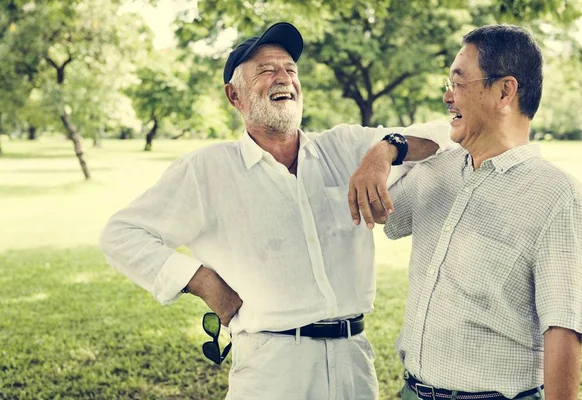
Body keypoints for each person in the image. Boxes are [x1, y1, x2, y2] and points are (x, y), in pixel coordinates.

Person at [99, 22, 454, 399]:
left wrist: (385, 151)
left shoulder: (344, 146)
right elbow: (121, 235)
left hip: (354, 362)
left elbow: (445, 134)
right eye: (266, 70)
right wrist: (200, 280)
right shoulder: (206, 171)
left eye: (290, 70)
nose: (283, 78)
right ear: (234, 96)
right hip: (272, 367)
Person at [349, 24, 582, 400]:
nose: (448, 96)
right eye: (447, 84)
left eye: (459, 82)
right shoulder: (440, 167)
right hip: (411, 391)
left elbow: (563, 330)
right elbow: (384, 212)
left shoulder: (556, 196)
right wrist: (386, 148)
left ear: (504, 91)